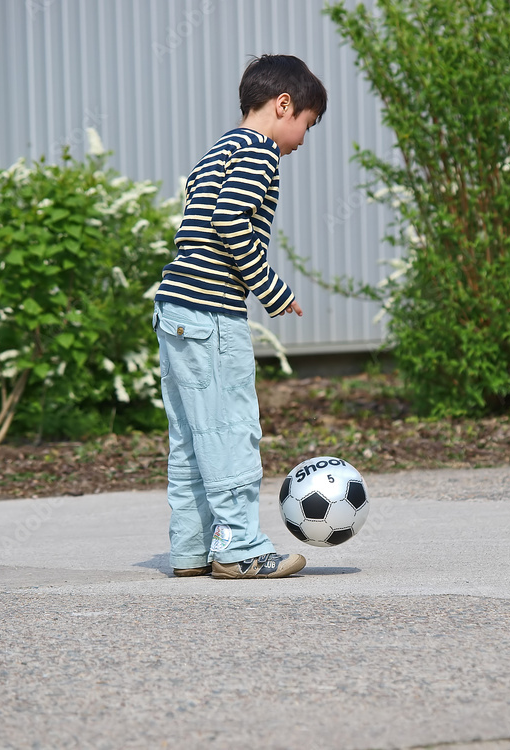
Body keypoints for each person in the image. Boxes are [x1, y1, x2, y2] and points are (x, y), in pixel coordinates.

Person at [152, 54, 327, 579]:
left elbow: (198, 223)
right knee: (230, 430)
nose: (302, 140)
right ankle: (237, 548)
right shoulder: (261, 151)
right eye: (307, 125)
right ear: (284, 105)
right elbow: (230, 220)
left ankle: (189, 549)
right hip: (210, 314)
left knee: (190, 436)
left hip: (175, 309)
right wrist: (272, 290)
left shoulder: (217, 149)